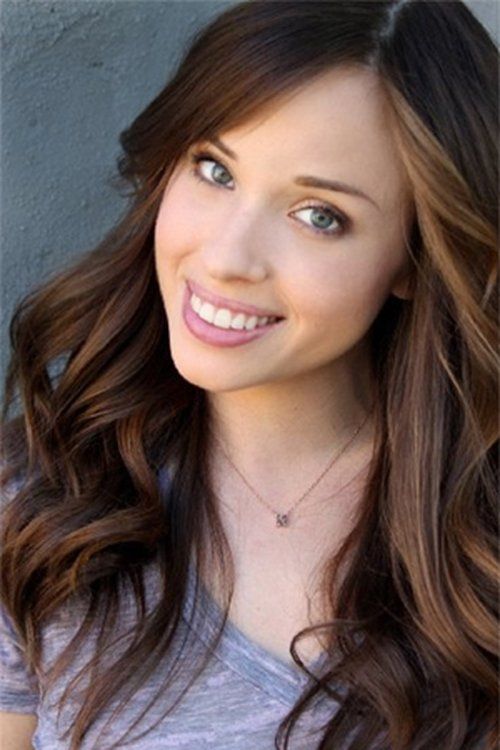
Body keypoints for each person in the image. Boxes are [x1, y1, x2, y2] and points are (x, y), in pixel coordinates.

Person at [0, 1, 497, 748]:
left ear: (414, 257)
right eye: (215, 169)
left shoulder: (477, 548)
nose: (227, 257)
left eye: (319, 215)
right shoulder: (42, 503)